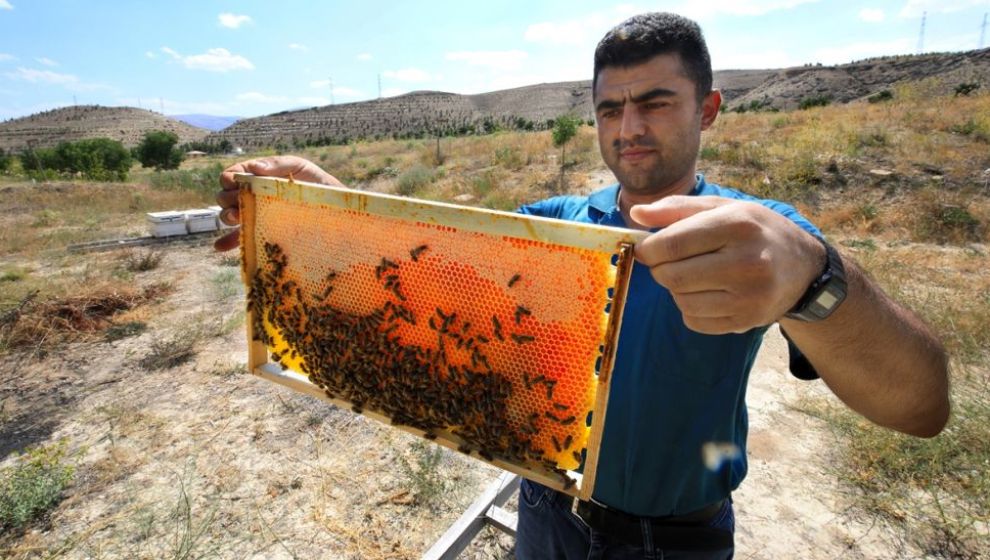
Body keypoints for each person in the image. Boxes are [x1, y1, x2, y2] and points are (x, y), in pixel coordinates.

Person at [214, 12, 949, 559]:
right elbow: (422, 278)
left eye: (656, 102)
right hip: (545, 515)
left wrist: (814, 278)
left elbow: (921, 406)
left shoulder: (758, 234)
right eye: (609, 108)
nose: (629, 126)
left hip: (675, 543)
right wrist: (320, 208)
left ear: (709, 109)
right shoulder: (553, 225)